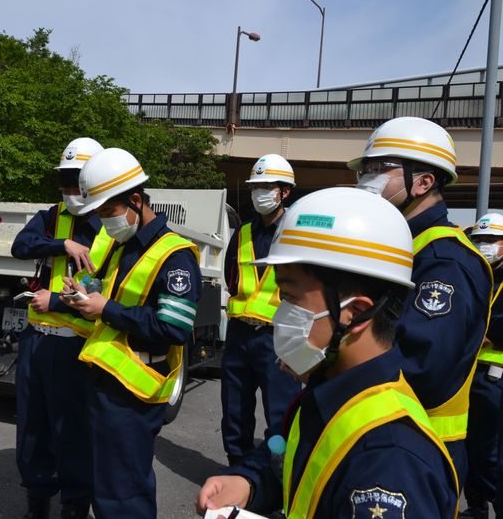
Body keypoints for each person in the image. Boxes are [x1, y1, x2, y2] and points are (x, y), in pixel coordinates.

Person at [197, 187, 459, 518]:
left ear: (354, 312)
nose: (278, 315)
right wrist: (251, 482)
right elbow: (298, 462)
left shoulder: (389, 461)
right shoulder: (329, 392)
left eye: (290, 297)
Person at [351, 116, 493, 485]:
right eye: (365, 170)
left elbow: (421, 366)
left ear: (423, 182)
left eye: (380, 168)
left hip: (417, 447)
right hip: (383, 431)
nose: (367, 179)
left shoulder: (445, 261)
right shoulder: (401, 246)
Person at [62, 147, 202, 519]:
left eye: (108, 210)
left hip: (134, 391)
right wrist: (82, 293)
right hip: (105, 381)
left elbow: (174, 327)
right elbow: (109, 293)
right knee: (105, 484)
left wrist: (105, 309)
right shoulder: (123, 245)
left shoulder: (174, 255)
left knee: (123, 494)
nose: (104, 221)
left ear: (136, 201)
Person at [10, 137, 111, 519]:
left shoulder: (111, 228)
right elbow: (21, 246)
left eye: (77, 181)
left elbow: (105, 296)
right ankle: (37, 500)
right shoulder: (53, 217)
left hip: (77, 346)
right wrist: (61, 244)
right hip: (37, 341)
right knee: (32, 428)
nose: (70, 190)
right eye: (65, 181)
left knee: (73, 431)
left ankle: (75, 504)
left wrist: (55, 301)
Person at [221, 154, 300, 467]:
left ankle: (278, 473)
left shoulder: (298, 232)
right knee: (234, 409)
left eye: (267, 187)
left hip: (279, 336)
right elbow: (231, 278)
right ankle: (237, 466)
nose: (259, 193)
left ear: (285, 192)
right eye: (256, 187)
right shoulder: (242, 232)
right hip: (240, 333)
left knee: (280, 412)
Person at [463, 212, 503, 518]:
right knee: (470, 449)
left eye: (491, 240)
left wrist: (486, 330)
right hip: (469, 373)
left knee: (492, 453)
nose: (484, 246)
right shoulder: (476, 275)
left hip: (496, 378)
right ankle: (476, 508)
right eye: (480, 240)